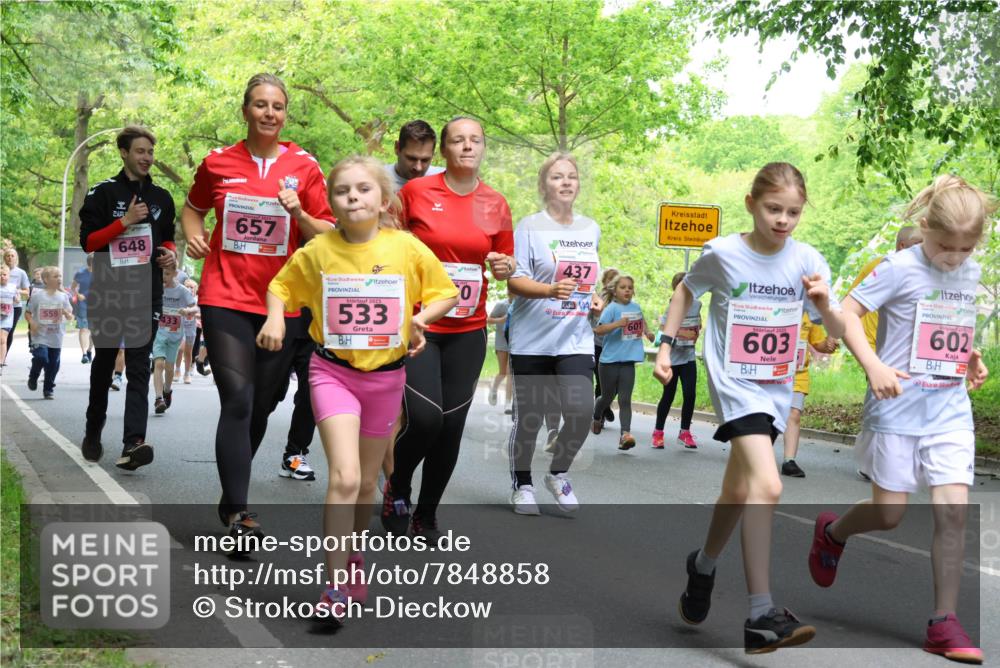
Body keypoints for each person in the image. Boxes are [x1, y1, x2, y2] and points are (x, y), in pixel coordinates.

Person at [258, 155, 457, 624]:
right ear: (331, 201)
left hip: (386, 377)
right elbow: (280, 288)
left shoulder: (405, 248)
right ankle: (332, 587)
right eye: (343, 190)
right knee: (344, 478)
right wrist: (274, 318)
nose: (353, 197)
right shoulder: (319, 250)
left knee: (367, 483)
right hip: (333, 373)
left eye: (364, 189)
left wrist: (420, 319)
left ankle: (353, 560)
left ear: (384, 200)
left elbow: (446, 293)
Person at [654, 162, 840, 653]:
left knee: (738, 490)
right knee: (768, 484)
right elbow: (685, 290)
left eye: (793, 212)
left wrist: (824, 308)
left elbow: (836, 329)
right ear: (751, 204)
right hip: (735, 384)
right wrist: (664, 346)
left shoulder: (807, 259)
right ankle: (761, 614)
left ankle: (703, 566)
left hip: (775, 387)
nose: (783, 220)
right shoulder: (723, 253)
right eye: (774, 209)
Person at [808, 175, 993, 665]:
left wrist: (969, 357)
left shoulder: (969, 271)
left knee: (953, 513)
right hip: (896, 408)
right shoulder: (898, 267)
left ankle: (943, 622)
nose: (954, 257)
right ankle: (833, 533)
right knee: (889, 514)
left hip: (949, 410)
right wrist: (872, 365)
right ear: (925, 226)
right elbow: (846, 314)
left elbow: (947, 325)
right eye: (946, 246)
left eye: (966, 248)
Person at [182, 73, 335, 540]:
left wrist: (298, 213)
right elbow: (193, 208)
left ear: (285, 114)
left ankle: (231, 495)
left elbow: (329, 233)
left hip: (282, 303)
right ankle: (239, 511)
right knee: (238, 400)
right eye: (261, 105)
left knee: (263, 405)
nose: (270, 113)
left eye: (278, 106)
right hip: (224, 296)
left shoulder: (305, 166)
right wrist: (193, 234)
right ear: (245, 110)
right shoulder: (217, 162)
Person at [381, 116, 515, 542]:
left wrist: (505, 266)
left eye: (475, 140)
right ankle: (398, 486)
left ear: (483, 148)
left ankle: (427, 514)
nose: (468, 146)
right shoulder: (416, 192)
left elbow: (505, 263)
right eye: (458, 140)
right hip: (419, 324)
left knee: (451, 426)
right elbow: (385, 244)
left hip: (468, 329)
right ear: (444, 150)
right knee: (424, 419)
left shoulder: (496, 203)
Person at [506, 152, 602, 514]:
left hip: (574, 337)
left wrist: (594, 297)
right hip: (533, 339)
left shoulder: (590, 228)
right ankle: (522, 484)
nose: (565, 182)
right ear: (544, 185)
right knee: (529, 420)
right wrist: (549, 290)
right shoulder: (530, 227)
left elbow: (588, 277)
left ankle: (558, 473)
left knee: (581, 411)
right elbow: (514, 281)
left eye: (571, 176)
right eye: (557, 176)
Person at [79, 125, 177, 470]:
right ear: (124, 153)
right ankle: (94, 429)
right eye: (140, 151)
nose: (147, 157)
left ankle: (133, 443)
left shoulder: (162, 197)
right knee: (104, 366)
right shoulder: (103, 192)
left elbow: (167, 237)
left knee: (138, 367)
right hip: (109, 293)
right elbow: (89, 242)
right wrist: (124, 222)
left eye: (150, 152)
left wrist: (169, 254)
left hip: (145, 295)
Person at [847, 224, 922, 482]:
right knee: (881, 399)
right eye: (917, 245)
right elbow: (849, 305)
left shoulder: (928, 272)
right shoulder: (882, 267)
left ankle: (892, 457)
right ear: (902, 246)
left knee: (898, 401)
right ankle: (872, 460)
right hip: (872, 346)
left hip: (907, 352)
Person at [592, 273, 654, 450]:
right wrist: (617, 324)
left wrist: (648, 333)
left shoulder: (636, 307)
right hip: (609, 362)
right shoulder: (611, 308)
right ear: (615, 291)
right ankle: (597, 414)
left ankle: (625, 435)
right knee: (607, 397)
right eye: (623, 287)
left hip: (628, 361)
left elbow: (642, 323)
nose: (627, 290)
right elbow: (599, 330)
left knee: (625, 399)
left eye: (630, 288)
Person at [779, 314, 837, 477]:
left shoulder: (809, 312)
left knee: (794, 414)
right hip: (768, 371)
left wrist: (829, 343)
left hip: (797, 373)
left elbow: (819, 343)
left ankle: (789, 461)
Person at [653, 272, 702, 449]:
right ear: (676, 289)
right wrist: (680, 333)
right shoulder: (671, 307)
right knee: (668, 395)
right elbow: (660, 335)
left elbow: (698, 326)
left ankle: (685, 432)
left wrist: (694, 334)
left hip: (688, 356)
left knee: (690, 395)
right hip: (672, 359)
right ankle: (658, 432)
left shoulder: (697, 305)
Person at [151, 266, 197, 414]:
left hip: (175, 334)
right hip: (159, 332)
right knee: (158, 363)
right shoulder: (157, 288)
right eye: (161, 274)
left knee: (169, 367)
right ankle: (159, 398)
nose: (163, 277)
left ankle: (167, 390)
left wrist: (187, 311)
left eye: (167, 274)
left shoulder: (182, 291)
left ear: (175, 274)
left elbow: (195, 307)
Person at [24, 267, 74, 399]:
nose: (59, 279)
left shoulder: (63, 297)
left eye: (60, 276)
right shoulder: (37, 296)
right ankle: (33, 376)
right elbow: (27, 313)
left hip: (56, 337)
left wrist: (67, 314)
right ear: (46, 279)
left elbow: (70, 315)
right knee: (41, 358)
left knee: (53, 364)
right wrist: (32, 322)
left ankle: (48, 388)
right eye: (55, 276)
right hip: (39, 336)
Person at [385, 120, 445, 193]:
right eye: (411, 158)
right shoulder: (378, 179)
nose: (418, 168)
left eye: (425, 160)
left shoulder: (445, 180)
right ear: (397, 148)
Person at [3, 247, 30, 363]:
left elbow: (27, 291)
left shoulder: (21, 273)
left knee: (8, 332)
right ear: (4, 258)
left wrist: (15, 291)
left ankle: (2, 358)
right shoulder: (1, 270)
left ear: (16, 258)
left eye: (12, 255)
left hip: (14, 307)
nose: (10, 258)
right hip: (1, 305)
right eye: (8, 255)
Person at [487, 292, 512, 408]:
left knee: (510, 372)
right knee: (503, 373)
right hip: (501, 341)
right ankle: (494, 388)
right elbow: (488, 320)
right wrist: (502, 320)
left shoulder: (521, 305)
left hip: (515, 343)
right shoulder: (502, 305)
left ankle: (508, 402)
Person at [70, 254, 95, 364]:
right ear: (90, 262)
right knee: (84, 329)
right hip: (83, 305)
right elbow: (73, 287)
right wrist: (78, 294)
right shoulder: (80, 273)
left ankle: (89, 350)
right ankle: (84, 354)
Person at [174, 278, 199, 383]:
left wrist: (192, 313)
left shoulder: (197, 301)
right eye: (187, 287)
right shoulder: (180, 299)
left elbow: (200, 313)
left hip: (191, 329)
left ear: (195, 289)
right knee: (180, 349)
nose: (189, 289)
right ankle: (177, 371)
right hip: (180, 327)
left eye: (191, 287)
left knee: (188, 352)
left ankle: (187, 374)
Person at [0, 265, 17, 367]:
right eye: (0, 275)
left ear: (9, 276)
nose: (2, 276)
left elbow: (16, 299)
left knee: (2, 339)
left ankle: (1, 362)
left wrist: (17, 298)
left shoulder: (12, 287)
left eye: (4, 274)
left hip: (7, 317)